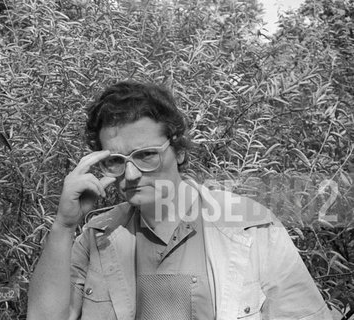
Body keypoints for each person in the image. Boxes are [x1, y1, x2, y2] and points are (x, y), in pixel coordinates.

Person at [27, 81, 332, 320]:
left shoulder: (252, 228)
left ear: (180, 150)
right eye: (116, 160)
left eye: (146, 155)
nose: (130, 174)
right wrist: (64, 225)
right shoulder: (97, 236)